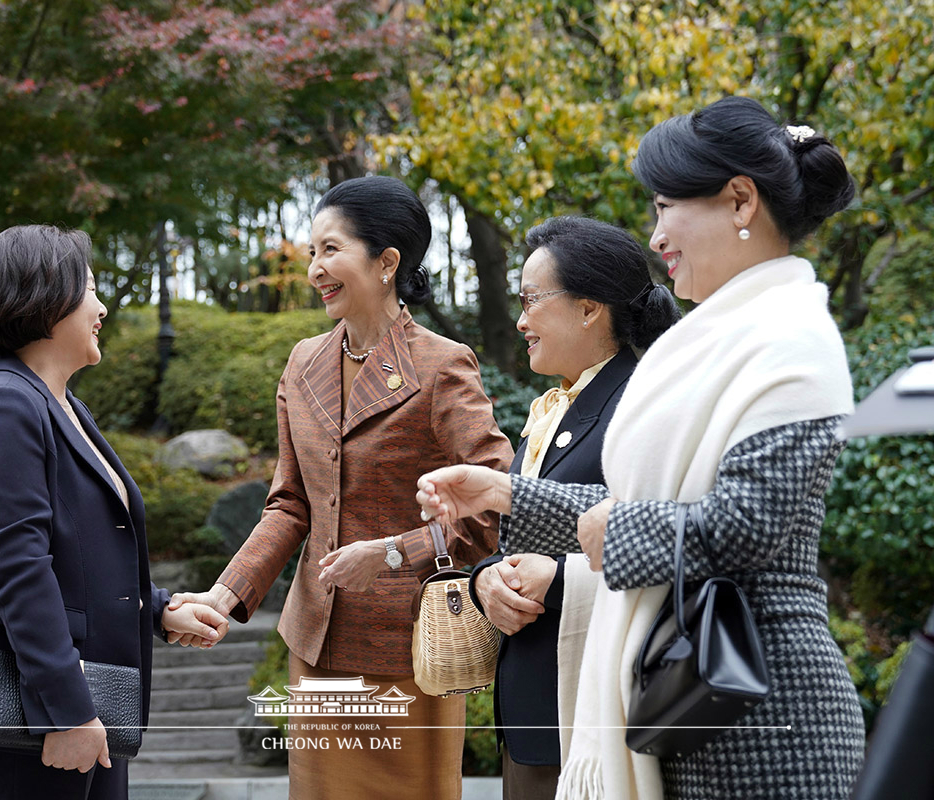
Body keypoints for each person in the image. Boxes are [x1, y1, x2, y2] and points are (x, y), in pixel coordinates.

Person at [417, 96, 865, 799]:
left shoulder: (791, 341)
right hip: (690, 695)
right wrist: (507, 493)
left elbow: (748, 526)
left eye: (665, 207)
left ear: (741, 201)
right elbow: (659, 507)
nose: (656, 237)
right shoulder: (722, 338)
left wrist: (614, 527)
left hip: (757, 716)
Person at [169, 176, 514, 799]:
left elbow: (495, 503)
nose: (315, 270)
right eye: (311, 254)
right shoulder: (302, 363)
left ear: (387, 263)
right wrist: (226, 594)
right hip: (319, 641)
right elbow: (290, 503)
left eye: (331, 250)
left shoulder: (442, 364)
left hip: (409, 648)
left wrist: (390, 553)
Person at [0, 225, 228, 800]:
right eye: (89, 290)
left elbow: (86, 556)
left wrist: (158, 609)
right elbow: (20, 571)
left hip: (92, 697)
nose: (101, 308)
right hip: (42, 711)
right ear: (43, 297)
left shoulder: (66, 406)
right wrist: (65, 712)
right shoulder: (5, 403)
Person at [467, 216, 679, 800]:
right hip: (535, 711)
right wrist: (487, 581)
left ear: (590, 309)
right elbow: (516, 544)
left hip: (596, 714)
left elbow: (661, 542)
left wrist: (556, 580)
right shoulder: (552, 410)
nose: (521, 319)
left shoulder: (640, 406)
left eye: (533, 300)